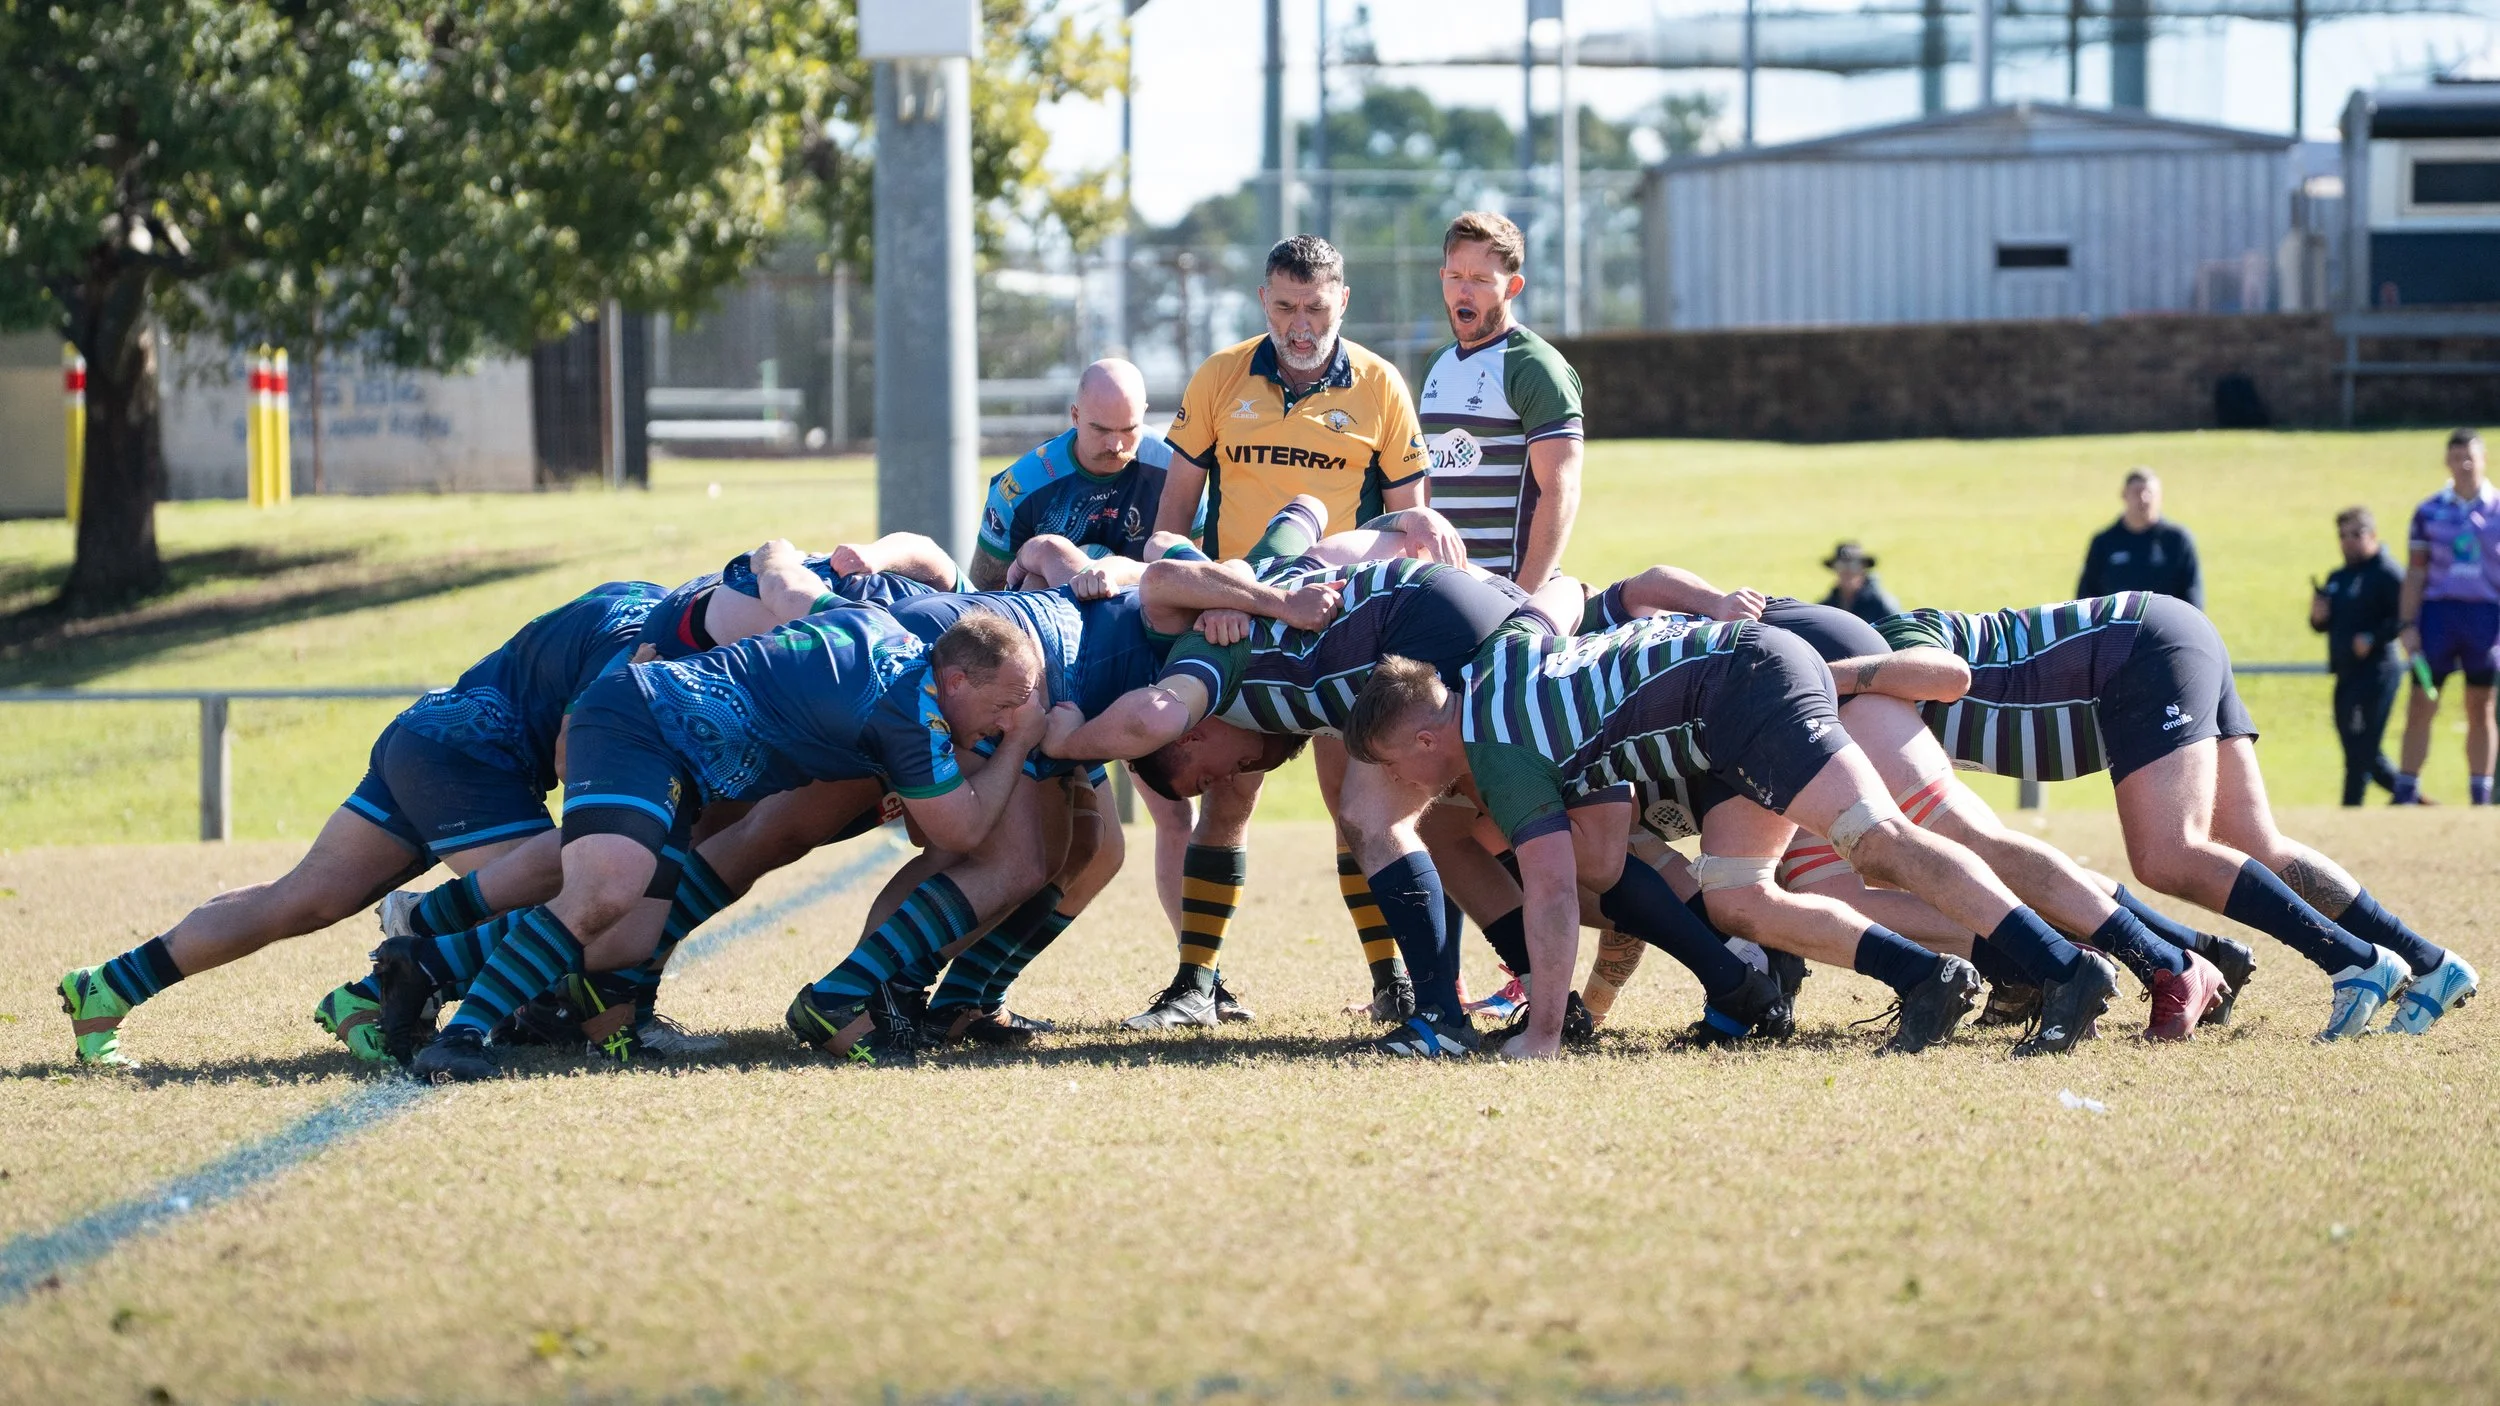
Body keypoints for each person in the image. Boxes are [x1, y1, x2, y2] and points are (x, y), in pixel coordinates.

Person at [1341, 616, 2118, 1061]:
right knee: (1742, 893)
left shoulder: (1495, 752)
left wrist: (1544, 1033)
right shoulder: (1493, 664)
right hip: (1739, 674)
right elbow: (1555, 599)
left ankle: (2063, 969)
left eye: (1390, 768)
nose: (1403, 789)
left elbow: (1550, 891)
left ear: (1419, 743)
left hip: (1741, 690)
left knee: (1876, 843)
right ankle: (1929, 981)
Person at [382, 605, 1052, 1079]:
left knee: (625, 936)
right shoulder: (908, 714)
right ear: (957, 680)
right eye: (1005, 705)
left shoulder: (883, 630)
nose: (1006, 722)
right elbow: (961, 829)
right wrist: (1022, 743)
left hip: (671, 746)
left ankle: (429, 960)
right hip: (639, 726)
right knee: (605, 888)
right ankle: (463, 1035)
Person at [56, 579, 669, 1067]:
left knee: (301, 898)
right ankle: (378, 993)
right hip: (474, 759)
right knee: (571, 893)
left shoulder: (649, 599)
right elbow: (569, 751)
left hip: (425, 736)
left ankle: (109, 985)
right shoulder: (652, 643)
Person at [1873, 593, 2477, 1037]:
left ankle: (2354, 963)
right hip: (2165, 637)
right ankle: (2429, 963)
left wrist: (1838, 675)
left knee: (2169, 853)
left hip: (2138, 650)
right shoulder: (1851, 706)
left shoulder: (1877, 645)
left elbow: (1944, 669)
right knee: (2252, 842)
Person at [1146, 234, 1445, 1027]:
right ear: (1262, 304)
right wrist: (1209, 593)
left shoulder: (1381, 386)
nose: (1301, 325)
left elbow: (1412, 525)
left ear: (1342, 301)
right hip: (1235, 618)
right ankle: (1196, 982)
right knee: (1228, 799)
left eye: (1315, 307)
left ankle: (1394, 982)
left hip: (1345, 628)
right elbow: (1170, 525)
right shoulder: (1219, 377)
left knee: (1358, 807)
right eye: (1284, 307)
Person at [1415, 210, 1584, 588]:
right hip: (1441, 591)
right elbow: (1427, 481)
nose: (1464, 291)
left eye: (1480, 280)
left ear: (1513, 287)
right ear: (1442, 277)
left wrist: (1522, 600)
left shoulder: (1536, 367)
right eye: (1456, 277)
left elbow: (1562, 492)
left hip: (1506, 592)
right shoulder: (1437, 364)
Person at [970, 359, 1180, 592]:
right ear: (1075, 416)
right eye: (1101, 429)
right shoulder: (1022, 486)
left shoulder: (1173, 469)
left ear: (1143, 414)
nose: (1116, 445)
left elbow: (1185, 573)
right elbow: (985, 594)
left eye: (1129, 429)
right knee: (1034, 583)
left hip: (1145, 608)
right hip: (1048, 613)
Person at [2393, 429, 2499, 805]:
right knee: (2422, 700)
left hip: (2486, 617)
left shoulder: (2498, 509)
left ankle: (2480, 794)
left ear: (2484, 459)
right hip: (2438, 615)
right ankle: (2406, 790)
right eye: (2456, 457)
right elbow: (2416, 571)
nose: (2464, 465)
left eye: (2470, 457)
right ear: (2447, 462)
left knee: (2480, 703)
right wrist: (2407, 624)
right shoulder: (2429, 511)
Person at [2312, 507, 2407, 806]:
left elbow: (2404, 617)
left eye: (2356, 534)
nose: (2348, 542)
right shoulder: (2338, 576)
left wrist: (2372, 638)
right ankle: (2410, 796)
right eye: (2342, 535)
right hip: (2345, 671)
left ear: (2373, 535)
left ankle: (2352, 806)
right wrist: (2318, 616)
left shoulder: (2388, 573)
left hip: (2378, 671)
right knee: (2358, 747)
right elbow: (2323, 625)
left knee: (2362, 747)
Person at [2078, 468, 2202, 607]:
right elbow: (2086, 597)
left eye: (2150, 493)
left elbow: (2192, 596)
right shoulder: (2104, 542)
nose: (2144, 499)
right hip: (2117, 627)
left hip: (2163, 626)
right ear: (2124, 495)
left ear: (2160, 496)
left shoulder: (2177, 540)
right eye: (2137, 492)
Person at [1819, 541, 1901, 624]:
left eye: (1854, 565)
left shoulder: (1882, 604)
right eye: (1841, 565)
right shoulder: (1827, 606)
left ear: (1863, 568)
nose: (1848, 571)